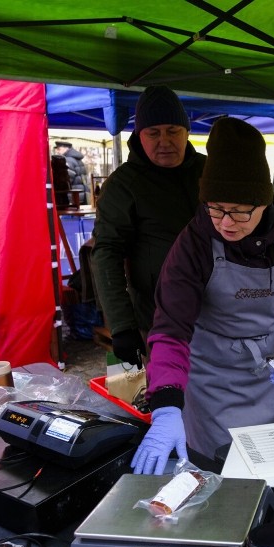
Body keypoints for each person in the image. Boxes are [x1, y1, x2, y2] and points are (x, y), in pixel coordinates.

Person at [131, 117, 274, 474]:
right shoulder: (193, 245)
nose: (226, 222)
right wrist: (167, 405)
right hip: (213, 388)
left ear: (264, 202)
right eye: (216, 208)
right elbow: (170, 331)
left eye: (239, 211)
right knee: (217, 478)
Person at [91, 86, 206, 368]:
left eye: (172, 130)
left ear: (187, 131)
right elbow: (107, 252)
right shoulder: (123, 184)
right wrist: (121, 325)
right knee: (173, 398)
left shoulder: (210, 171)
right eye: (153, 132)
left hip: (220, 312)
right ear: (139, 135)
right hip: (160, 319)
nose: (164, 141)